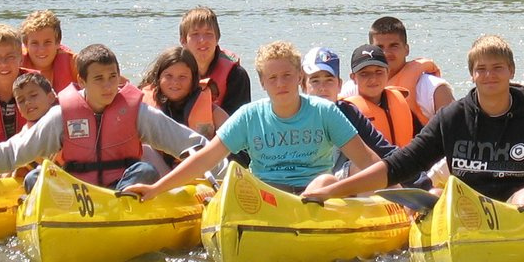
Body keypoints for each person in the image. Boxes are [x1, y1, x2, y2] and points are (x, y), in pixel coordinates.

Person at [303, 34, 524, 210]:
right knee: (438, 194)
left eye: (497, 68)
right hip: (466, 207)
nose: (489, 76)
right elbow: (396, 166)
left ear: (512, 72)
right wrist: (330, 191)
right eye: (481, 69)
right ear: (472, 75)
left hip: (520, 203)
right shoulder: (453, 118)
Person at [123, 41, 382, 198]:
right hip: (266, 196)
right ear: (262, 82)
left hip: (316, 194)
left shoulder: (325, 112)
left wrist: (399, 195)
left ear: (299, 79)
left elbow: (368, 161)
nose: (280, 84)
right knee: (235, 181)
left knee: (326, 181)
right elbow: (204, 159)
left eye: (287, 76)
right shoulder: (250, 116)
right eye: (272, 78)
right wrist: (156, 189)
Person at [0, 44, 204, 197]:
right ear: (82, 82)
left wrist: (221, 176)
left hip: (118, 190)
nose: (108, 86)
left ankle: (119, 213)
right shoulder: (61, 115)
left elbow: (190, 143)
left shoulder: (137, 112)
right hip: (72, 193)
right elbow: (15, 150)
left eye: (112, 77)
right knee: (34, 178)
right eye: (99, 79)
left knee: (145, 172)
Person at [301, 46, 397, 164]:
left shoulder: (349, 114)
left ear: (339, 85)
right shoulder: (291, 116)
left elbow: (385, 151)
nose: (322, 88)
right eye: (315, 81)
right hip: (301, 179)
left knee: (372, 167)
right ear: (303, 87)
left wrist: (421, 180)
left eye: (329, 80)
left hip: (341, 179)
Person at [358, 15, 454, 125]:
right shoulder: (354, 88)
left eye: (394, 46)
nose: (386, 53)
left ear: (406, 49)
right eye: (380, 47)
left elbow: (455, 129)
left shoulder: (432, 88)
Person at [180, 6, 251, 116]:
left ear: (217, 38)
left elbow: (239, 123)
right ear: (183, 41)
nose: (202, 41)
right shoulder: (171, 71)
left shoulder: (236, 74)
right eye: (195, 34)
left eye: (208, 34)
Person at [343, 43, 418, 148]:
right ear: (353, 78)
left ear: (388, 73)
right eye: (364, 74)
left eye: (379, 72)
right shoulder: (346, 112)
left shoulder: (400, 102)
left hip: (403, 161)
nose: (373, 79)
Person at [137, 46, 218, 137]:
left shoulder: (211, 109)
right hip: (154, 150)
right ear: (158, 77)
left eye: (182, 77)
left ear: (193, 80)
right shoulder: (142, 106)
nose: (175, 82)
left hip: (199, 150)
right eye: (168, 76)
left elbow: (231, 137)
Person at [20, 10, 78, 92]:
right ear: (26, 44)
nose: (41, 50)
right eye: (34, 43)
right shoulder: (16, 62)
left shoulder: (73, 63)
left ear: (58, 42)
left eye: (47, 42)